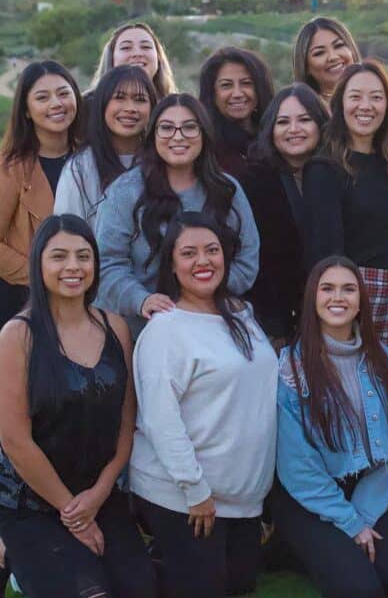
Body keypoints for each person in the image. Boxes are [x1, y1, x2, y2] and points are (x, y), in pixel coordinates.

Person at [0, 214, 156, 598]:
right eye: (59, 256)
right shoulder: (19, 336)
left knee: (140, 590)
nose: (73, 267)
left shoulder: (116, 328)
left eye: (83, 256)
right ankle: (0, 547)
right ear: (39, 264)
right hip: (32, 501)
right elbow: (16, 441)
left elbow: (126, 423)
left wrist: (100, 492)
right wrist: (74, 515)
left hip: (98, 492)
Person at [130, 213, 277, 598]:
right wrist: (195, 491)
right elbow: (161, 421)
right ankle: (122, 569)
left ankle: (159, 558)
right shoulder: (165, 329)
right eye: (189, 253)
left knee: (241, 584)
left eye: (212, 250)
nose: (203, 261)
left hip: (243, 499)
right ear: (172, 264)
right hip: (185, 495)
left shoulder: (242, 315)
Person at [272, 256, 388, 598]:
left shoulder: (380, 357)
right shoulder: (292, 366)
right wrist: (349, 523)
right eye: (328, 289)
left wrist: (364, 517)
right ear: (313, 298)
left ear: (360, 302)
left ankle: (318, 549)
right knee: (361, 590)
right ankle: (291, 543)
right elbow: (297, 469)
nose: (338, 297)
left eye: (348, 289)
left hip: (364, 490)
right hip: (309, 498)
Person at [304, 60, 388, 512]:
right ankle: (343, 498)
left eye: (375, 97)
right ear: (339, 104)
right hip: (349, 293)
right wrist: (343, 302)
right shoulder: (325, 168)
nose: (366, 106)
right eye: (355, 97)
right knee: (350, 396)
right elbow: (325, 250)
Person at [95, 94, 260, 338]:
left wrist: (199, 300)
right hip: (145, 329)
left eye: (190, 127)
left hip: (217, 325)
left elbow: (247, 260)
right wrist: (142, 300)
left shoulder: (228, 190)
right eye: (167, 128)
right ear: (153, 136)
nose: (178, 136)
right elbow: (106, 264)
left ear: (204, 134)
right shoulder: (125, 192)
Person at [0, 60, 82, 357]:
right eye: (42, 97)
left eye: (63, 93)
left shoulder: (90, 160)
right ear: (26, 110)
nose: (57, 103)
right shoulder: (10, 169)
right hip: (15, 304)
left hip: (76, 304)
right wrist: (44, 276)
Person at [239, 83, 327, 346]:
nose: (294, 129)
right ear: (270, 130)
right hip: (270, 323)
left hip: (331, 313)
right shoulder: (252, 182)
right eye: (283, 122)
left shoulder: (337, 176)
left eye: (304, 120)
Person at [55, 64, 157, 228]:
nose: (130, 108)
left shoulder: (160, 161)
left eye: (140, 100)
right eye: (119, 97)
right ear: (102, 104)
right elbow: (68, 233)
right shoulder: (81, 168)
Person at [293, 16, 388, 143]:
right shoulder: (300, 108)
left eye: (339, 46)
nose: (333, 57)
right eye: (319, 53)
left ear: (351, 49)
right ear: (305, 65)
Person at [198, 46, 275, 177]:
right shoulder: (204, 146)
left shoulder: (276, 137)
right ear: (212, 93)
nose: (238, 93)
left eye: (246, 83)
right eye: (226, 85)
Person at [91, 21, 177, 101]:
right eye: (126, 47)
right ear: (111, 57)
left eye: (146, 47)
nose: (137, 53)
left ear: (158, 56)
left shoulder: (174, 107)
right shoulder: (87, 106)